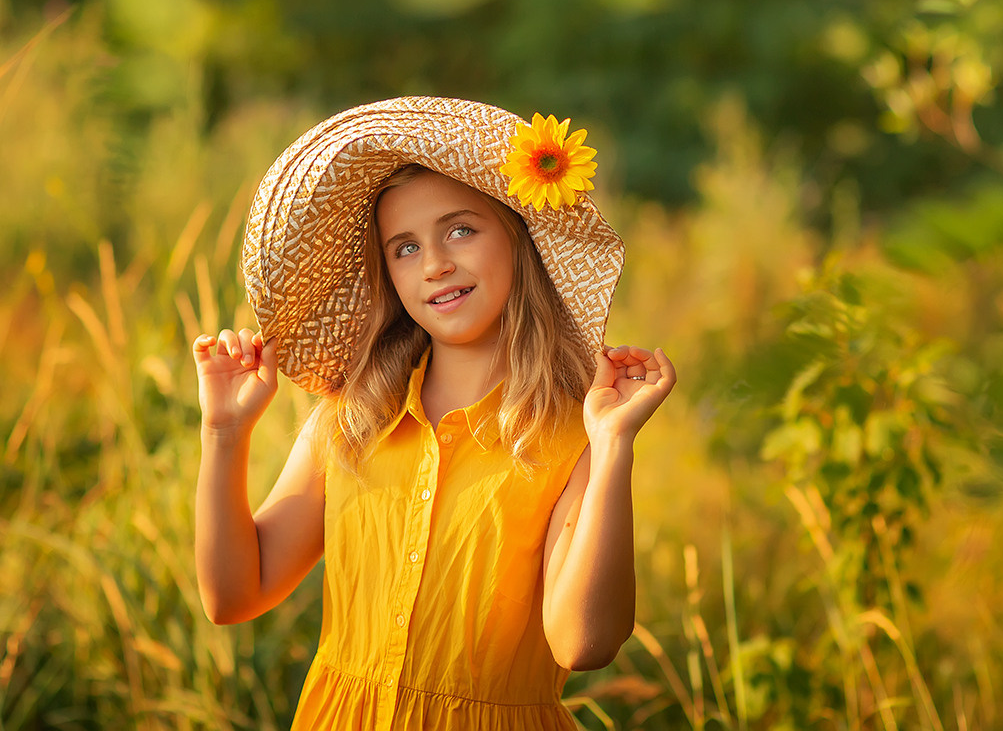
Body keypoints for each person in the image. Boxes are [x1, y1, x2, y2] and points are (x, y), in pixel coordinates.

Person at [191, 96, 675, 728]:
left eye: (461, 230)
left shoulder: (571, 433)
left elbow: (584, 645)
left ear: (518, 236)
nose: (437, 263)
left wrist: (613, 449)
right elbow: (232, 596)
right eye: (405, 248)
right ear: (387, 274)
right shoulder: (351, 420)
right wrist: (224, 432)